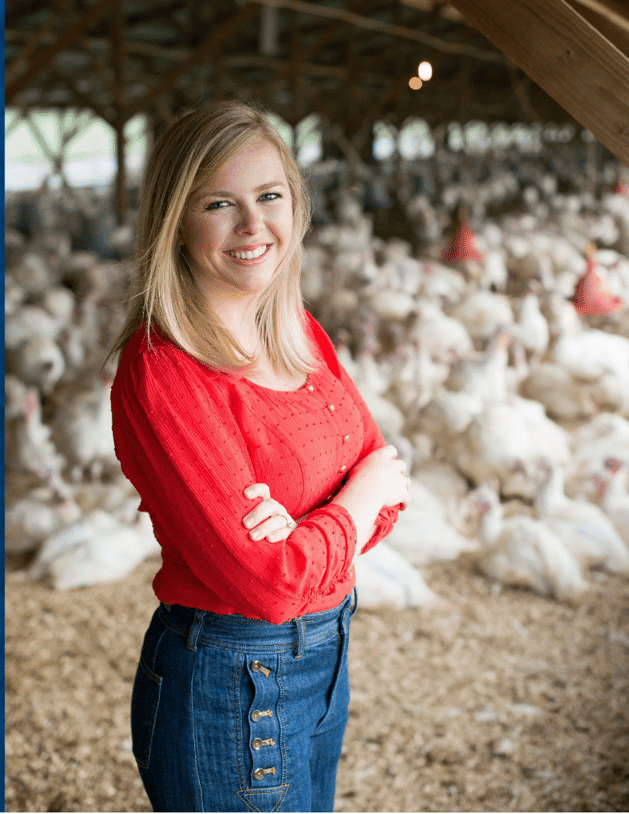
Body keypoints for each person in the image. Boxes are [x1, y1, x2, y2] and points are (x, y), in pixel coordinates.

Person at [109, 100, 410, 812]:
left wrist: (311, 527)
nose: (252, 225)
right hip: (233, 679)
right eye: (219, 203)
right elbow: (269, 586)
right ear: (176, 221)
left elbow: (392, 485)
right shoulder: (164, 369)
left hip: (327, 652)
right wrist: (354, 498)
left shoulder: (298, 332)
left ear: (295, 207)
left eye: (269, 196)